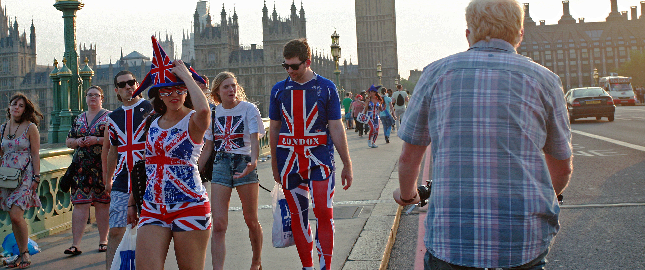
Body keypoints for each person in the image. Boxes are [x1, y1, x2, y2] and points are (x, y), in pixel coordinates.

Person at [393, 0, 573, 269]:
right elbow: (562, 167)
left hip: (451, 242)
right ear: (520, 34)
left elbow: (409, 157)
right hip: (522, 243)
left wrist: (408, 196)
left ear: (468, 33)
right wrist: (545, 198)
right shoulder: (545, 80)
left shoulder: (435, 74)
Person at [269, 38, 353, 270]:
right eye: (285, 66)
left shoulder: (327, 87)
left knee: (324, 213)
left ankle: (325, 267)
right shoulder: (278, 90)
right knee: (298, 216)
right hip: (289, 162)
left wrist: (347, 163)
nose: (289, 71)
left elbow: (336, 126)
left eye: (294, 66)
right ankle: (308, 266)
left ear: (308, 62)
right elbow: (274, 128)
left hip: (320, 160)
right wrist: (275, 165)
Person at [128, 37, 211, 270]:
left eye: (179, 90)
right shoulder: (152, 123)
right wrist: (132, 203)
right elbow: (146, 166)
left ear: (186, 91)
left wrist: (185, 75)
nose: (174, 95)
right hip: (153, 205)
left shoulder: (193, 121)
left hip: (189, 204)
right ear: (158, 95)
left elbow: (204, 108)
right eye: (167, 91)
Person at [198, 71, 264, 270]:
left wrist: (253, 161)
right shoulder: (215, 112)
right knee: (218, 224)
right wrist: (194, 172)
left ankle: (256, 261)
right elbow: (208, 146)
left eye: (233, 85)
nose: (231, 89)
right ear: (217, 91)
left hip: (244, 163)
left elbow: (254, 139)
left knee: (251, 219)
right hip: (221, 164)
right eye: (226, 86)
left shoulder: (249, 109)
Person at [101, 70, 153, 269]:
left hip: (148, 177)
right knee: (115, 230)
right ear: (116, 90)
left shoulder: (150, 108)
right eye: (122, 84)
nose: (128, 87)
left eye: (131, 82)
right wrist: (108, 179)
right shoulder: (113, 117)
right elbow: (113, 150)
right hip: (122, 179)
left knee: (149, 231)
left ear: (137, 84)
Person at [64, 86, 111, 256]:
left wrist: (96, 140)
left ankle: (103, 240)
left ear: (102, 98)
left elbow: (116, 141)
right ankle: (75, 244)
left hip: (102, 167)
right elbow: (68, 140)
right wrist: (79, 142)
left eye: (96, 95)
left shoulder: (109, 117)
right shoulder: (78, 118)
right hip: (81, 168)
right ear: (85, 98)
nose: (93, 98)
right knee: (79, 204)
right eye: (90, 95)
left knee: (102, 204)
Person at [0, 93, 43, 268]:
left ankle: (24, 253)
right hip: (6, 177)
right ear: (9, 107)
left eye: (21, 105)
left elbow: (35, 154)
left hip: (25, 175)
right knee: (12, 215)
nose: (16, 107)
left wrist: (37, 177)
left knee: (16, 215)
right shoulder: (2, 128)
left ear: (25, 110)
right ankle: (20, 254)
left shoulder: (30, 127)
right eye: (14, 104)